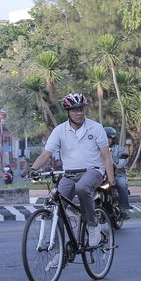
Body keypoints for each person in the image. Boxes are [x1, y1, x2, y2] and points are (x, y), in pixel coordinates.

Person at [29, 93, 115, 248]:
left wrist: (111, 179)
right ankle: (61, 252)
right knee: (57, 204)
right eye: (75, 110)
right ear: (67, 112)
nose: (79, 112)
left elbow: (106, 156)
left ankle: (93, 225)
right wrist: (33, 168)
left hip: (93, 171)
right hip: (69, 174)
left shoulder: (96, 128)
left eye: (81, 109)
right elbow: (46, 153)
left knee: (82, 188)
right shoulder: (59, 130)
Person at [105, 127, 131, 218]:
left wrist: (120, 164)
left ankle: (123, 209)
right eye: (105, 138)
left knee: (122, 184)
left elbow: (124, 157)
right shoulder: (99, 149)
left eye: (109, 138)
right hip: (103, 176)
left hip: (117, 175)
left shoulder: (119, 148)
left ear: (113, 139)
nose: (107, 140)